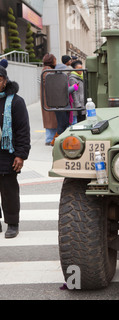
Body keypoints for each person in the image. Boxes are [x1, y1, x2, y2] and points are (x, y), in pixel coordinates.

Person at [0, 64, 31, 238]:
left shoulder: (16, 102)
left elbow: (23, 130)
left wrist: (21, 154)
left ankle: (12, 223)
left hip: (7, 152)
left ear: (5, 81)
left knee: (8, 189)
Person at [40, 53, 58, 146]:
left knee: (50, 119)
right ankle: (50, 139)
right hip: (50, 99)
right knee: (51, 119)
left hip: (48, 99)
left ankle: (51, 138)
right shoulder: (48, 70)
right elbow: (50, 84)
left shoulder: (46, 70)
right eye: (55, 59)